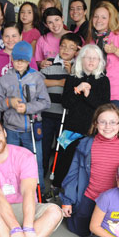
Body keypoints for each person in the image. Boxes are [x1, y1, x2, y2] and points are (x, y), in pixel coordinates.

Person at [60, 103, 119, 237]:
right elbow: (72, 175)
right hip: (90, 196)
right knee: (79, 230)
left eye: (113, 122)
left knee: (109, 233)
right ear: (95, 124)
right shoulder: (85, 145)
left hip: (115, 201)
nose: (108, 127)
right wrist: (67, 201)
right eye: (103, 122)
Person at [0, 41, 50, 188]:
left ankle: (39, 191)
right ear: (12, 59)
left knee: (35, 162)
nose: (19, 63)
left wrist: (27, 107)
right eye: (17, 59)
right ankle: (12, 192)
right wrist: (9, 102)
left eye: (23, 60)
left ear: (29, 60)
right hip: (11, 129)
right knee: (10, 162)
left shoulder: (37, 78)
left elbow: (45, 102)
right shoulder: (4, 79)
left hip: (31, 129)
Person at [52, 44, 111, 188]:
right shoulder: (72, 78)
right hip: (72, 126)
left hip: (92, 129)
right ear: (81, 59)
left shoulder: (103, 80)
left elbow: (103, 107)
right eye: (88, 57)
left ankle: (85, 188)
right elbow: (66, 103)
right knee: (66, 157)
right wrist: (76, 90)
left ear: (100, 61)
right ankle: (59, 186)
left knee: (89, 160)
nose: (91, 61)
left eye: (95, 58)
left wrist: (88, 95)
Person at [86, 1, 119, 116]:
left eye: (104, 17)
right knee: (97, 130)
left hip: (115, 93)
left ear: (111, 19)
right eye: (96, 16)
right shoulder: (92, 38)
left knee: (115, 131)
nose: (99, 20)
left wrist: (116, 51)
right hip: (95, 91)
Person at [39, 33, 80, 183]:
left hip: (65, 116)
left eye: (71, 48)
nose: (66, 50)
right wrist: (59, 82)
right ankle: (41, 176)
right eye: (63, 46)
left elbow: (77, 88)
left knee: (63, 148)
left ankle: (57, 177)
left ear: (77, 51)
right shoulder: (49, 64)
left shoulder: (77, 67)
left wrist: (70, 75)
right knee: (43, 146)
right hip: (47, 114)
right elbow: (39, 82)